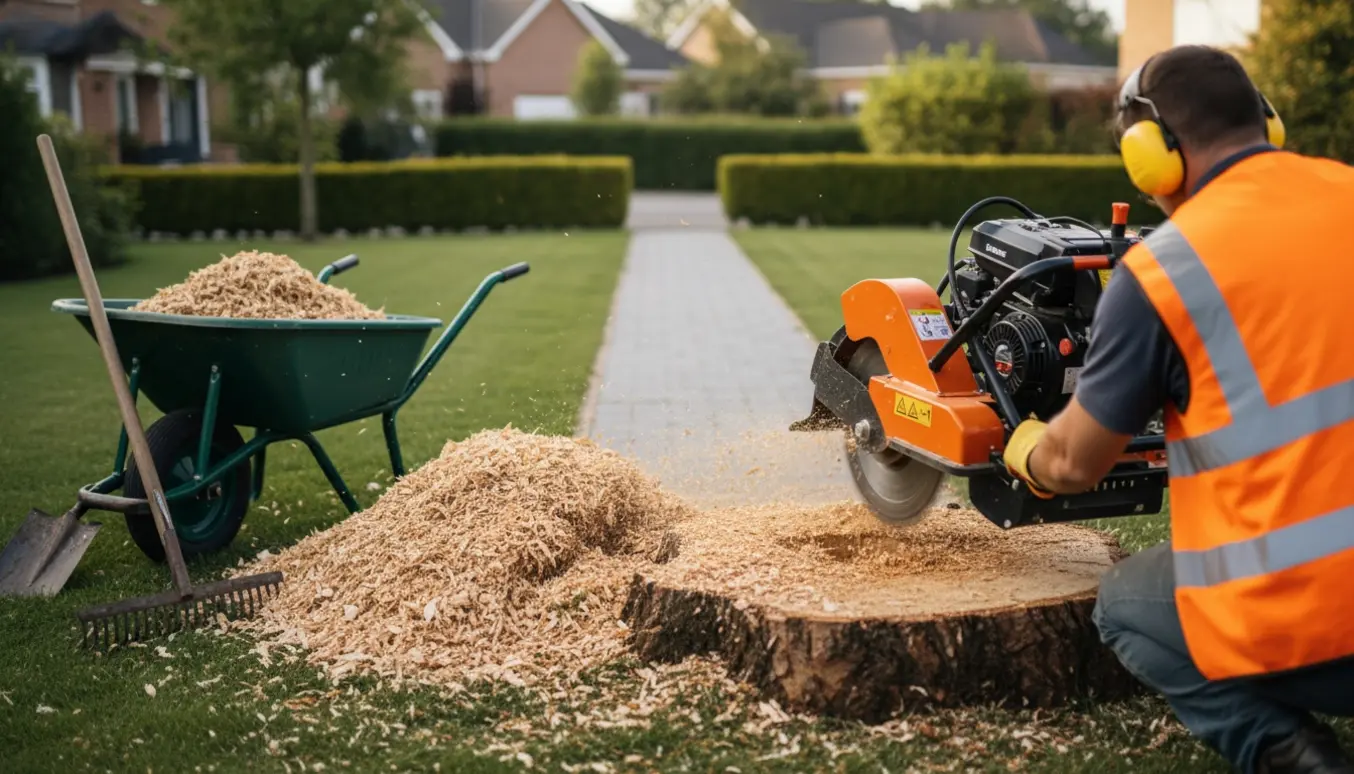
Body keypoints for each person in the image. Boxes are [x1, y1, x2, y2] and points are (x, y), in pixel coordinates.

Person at [999, 44, 1354, 774]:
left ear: (1152, 157)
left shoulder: (1166, 272)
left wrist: (1023, 446)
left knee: (1126, 602)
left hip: (1321, 635)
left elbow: (1074, 462)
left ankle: (1295, 754)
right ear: (1269, 125)